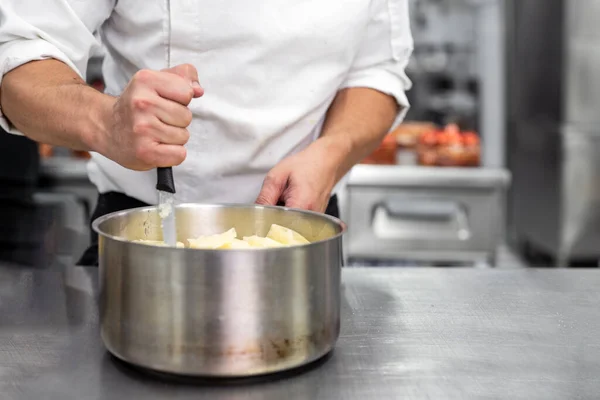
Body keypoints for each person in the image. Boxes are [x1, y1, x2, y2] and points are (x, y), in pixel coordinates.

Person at [0, 0, 413, 265]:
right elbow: (18, 55)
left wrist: (332, 151)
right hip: (144, 241)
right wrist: (106, 122)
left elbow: (377, 71)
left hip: (303, 235)